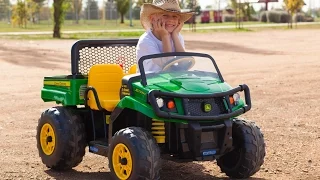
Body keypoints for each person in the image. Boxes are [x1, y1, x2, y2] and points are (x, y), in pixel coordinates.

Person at [136, 0, 194, 73]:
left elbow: (183, 64)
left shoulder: (177, 36)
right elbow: (167, 64)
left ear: (179, 21)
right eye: (165, 15)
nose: (171, 20)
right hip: (148, 81)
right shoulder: (146, 41)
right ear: (152, 19)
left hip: (168, 80)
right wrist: (165, 36)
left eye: (175, 16)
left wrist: (175, 35)